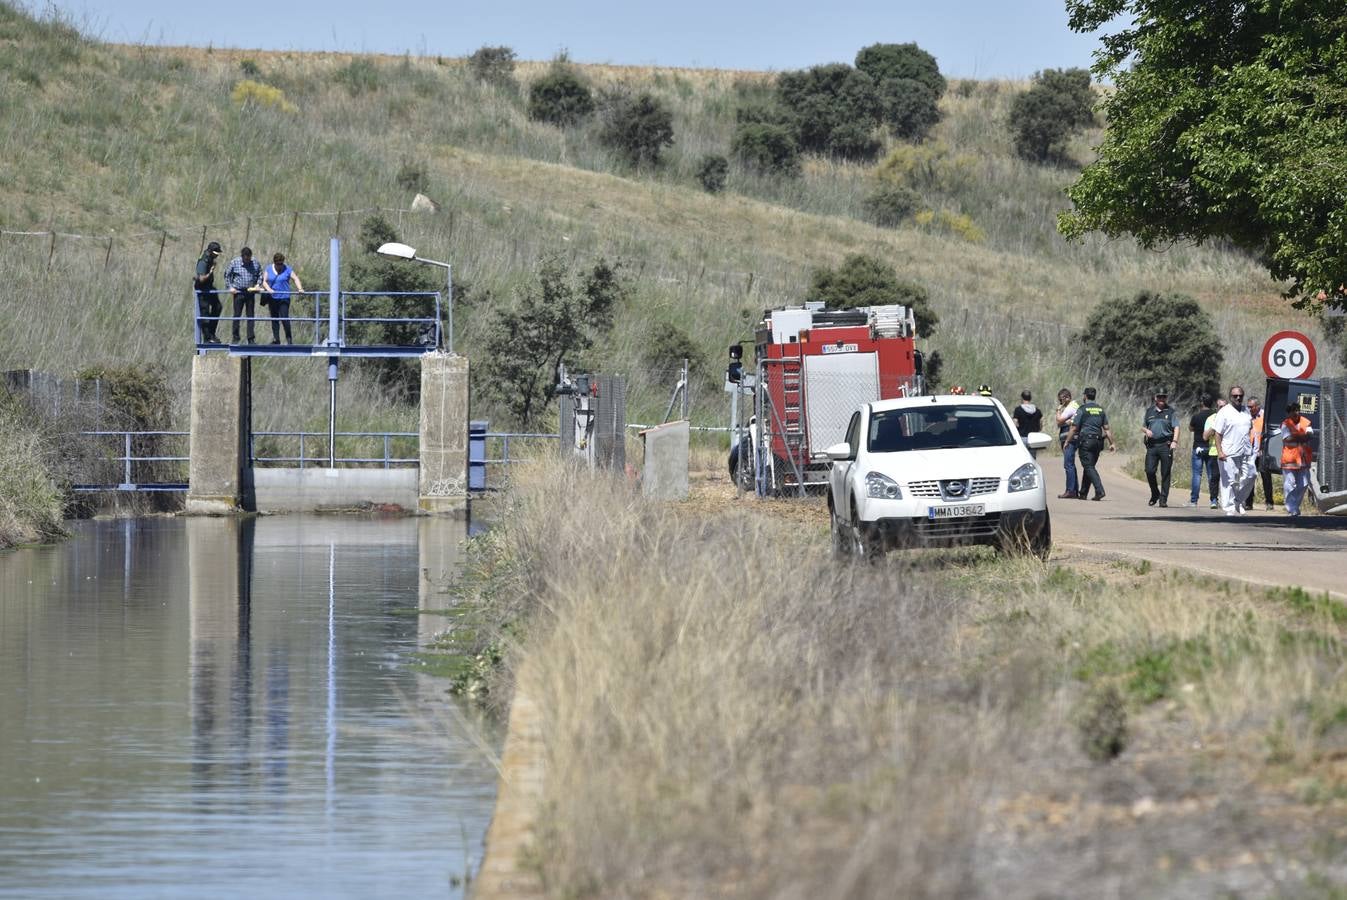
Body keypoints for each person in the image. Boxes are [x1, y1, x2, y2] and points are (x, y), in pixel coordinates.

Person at [1205, 386, 1255, 516]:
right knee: (1229, 481)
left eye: (1240, 395)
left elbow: (1250, 429)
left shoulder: (1246, 411)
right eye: (1235, 396)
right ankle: (1229, 507)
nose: (1238, 398)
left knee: (1251, 475)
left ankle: (1238, 501)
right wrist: (1220, 451)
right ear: (1230, 397)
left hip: (1245, 451)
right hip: (1228, 452)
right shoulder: (1224, 412)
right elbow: (1217, 434)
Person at [1065, 387, 1116, 500]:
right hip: (1098, 442)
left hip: (1086, 441)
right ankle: (1083, 493)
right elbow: (1107, 429)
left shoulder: (1082, 409)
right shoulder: (1100, 410)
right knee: (1089, 467)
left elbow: (1073, 428)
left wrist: (1067, 441)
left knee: (1088, 466)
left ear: (1085, 396)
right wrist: (1112, 443)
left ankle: (1099, 490)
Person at [1141, 389, 1179, 507]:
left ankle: (1163, 499)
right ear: (1155, 398)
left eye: (1164, 397)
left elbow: (1176, 427)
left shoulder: (1171, 411)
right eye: (1160, 397)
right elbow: (1143, 426)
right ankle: (1155, 493)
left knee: (1165, 473)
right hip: (1152, 445)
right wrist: (1146, 430)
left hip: (1166, 445)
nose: (1162, 399)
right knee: (1149, 471)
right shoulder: (1149, 411)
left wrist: (1174, 441)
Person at [1278, 401, 1315, 517]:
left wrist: (1296, 436)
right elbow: (1287, 439)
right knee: (1290, 484)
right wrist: (1301, 436)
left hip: (1303, 459)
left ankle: (1295, 506)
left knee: (1303, 484)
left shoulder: (1306, 422)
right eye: (1293, 410)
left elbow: (1310, 436)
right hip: (1290, 459)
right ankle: (1291, 508)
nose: (1296, 412)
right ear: (1288, 412)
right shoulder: (1285, 424)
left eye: (1297, 410)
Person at [223, 246, 263, 344]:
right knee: (237, 315)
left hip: (250, 292)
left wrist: (258, 285)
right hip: (238, 292)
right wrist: (230, 287)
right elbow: (227, 275)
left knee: (250, 315)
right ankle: (235, 337)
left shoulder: (255, 263)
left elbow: (260, 274)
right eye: (246, 258)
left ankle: (251, 338)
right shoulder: (234, 262)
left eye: (249, 258)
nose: (247, 260)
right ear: (242, 257)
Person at [262, 252, 303, 345]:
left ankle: (289, 339)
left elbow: (295, 278)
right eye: (278, 264)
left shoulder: (287, 269)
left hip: (284, 297)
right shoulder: (269, 269)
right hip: (272, 298)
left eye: (281, 263)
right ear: (275, 263)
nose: (280, 265)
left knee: (284, 318)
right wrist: (269, 290)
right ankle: (276, 339)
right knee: (274, 319)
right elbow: (264, 281)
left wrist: (300, 288)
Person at [1187, 395, 1219, 507]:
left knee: (1197, 474)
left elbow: (1190, 428)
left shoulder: (1196, 416)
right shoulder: (1215, 416)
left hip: (1198, 447)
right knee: (1212, 475)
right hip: (1211, 448)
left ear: (1202, 403)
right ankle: (1214, 500)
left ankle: (1193, 501)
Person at [1244, 397, 1275, 511]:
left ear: (1257, 406)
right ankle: (1248, 502)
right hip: (1249, 452)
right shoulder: (1246, 416)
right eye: (1248, 406)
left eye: (1251, 407)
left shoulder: (1265, 416)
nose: (1249, 409)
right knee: (1249, 477)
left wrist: (1264, 448)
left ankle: (1269, 502)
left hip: (1262, 452)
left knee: (1266, 477)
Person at [193, 240, 223, 343]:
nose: (217, 256)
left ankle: (211, 333)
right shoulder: (204, 260)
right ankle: (207, 337)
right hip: (202, 289)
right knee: (204, 312)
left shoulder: (210, 258)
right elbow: (201, 278)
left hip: (209, 288)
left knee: (218, 307)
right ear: (211, 251)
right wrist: (211, 272)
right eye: (216, 253)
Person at [1056, 388, 1080, 499]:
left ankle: (1070, 490)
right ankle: (1074, 489)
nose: (1060, 402)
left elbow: (1059, 421)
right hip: (1073, 437)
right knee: (1071, 464)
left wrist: (1058, 411)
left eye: (1061, 400)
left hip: (1069, 438)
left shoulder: (1070, 408)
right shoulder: (1075, 406)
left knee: (1068, 464)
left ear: (1067, 398)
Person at [1012, 390, 1043, 456]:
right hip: (1033, 438)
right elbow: (1040, 424)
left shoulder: (1018, 410)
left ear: (1022, 398)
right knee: (1032, 459)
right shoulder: (1037, 410)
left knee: (1023, 458)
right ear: (1030, 398)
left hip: (1022, 437)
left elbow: (1015, 423)